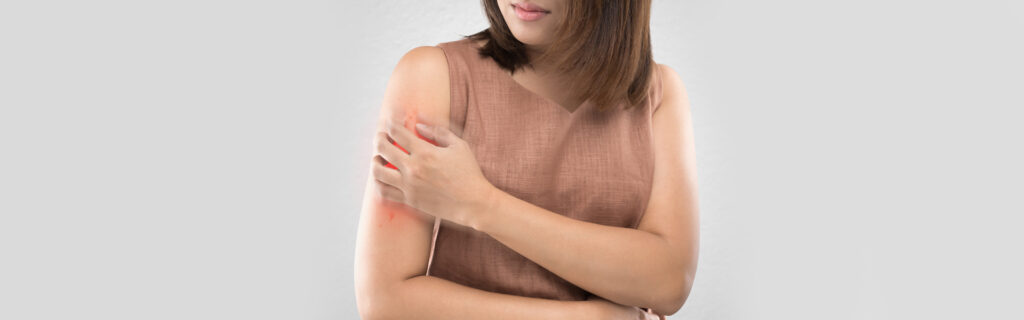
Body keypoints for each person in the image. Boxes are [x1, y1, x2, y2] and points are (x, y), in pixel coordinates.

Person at [355, 1, 699, 318]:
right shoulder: (431, 75)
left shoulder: (659, 94)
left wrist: (480, 204)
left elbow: (669, 282)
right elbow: (385, 301)